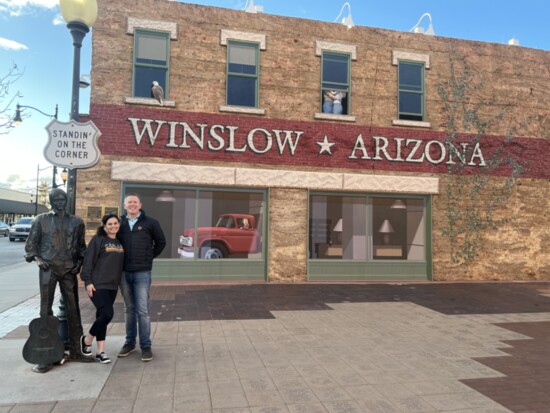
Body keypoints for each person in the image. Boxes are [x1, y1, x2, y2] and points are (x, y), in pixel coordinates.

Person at [24, 188, 91, 363]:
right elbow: (31, 245)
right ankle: (45, 355)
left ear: (66, 201)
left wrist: (79, 263)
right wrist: (38, 259)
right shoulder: (41, 220)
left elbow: (81, 247)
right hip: (48, 268)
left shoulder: (77, 222)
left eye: (63, 199)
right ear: (51, 201)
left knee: (73, 309)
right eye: (56, 200)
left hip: (69, 269)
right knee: (45, 309)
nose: (60, 202)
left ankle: (77, 351)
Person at [117, 194, 166, 362]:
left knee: (143, 310)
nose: (132, 205)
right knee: (129, 309)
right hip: (123, 273)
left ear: (140, 205)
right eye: (129, 202)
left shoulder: (150, 222)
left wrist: (148, 257)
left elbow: (161, 242)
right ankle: (129, 343)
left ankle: (145, 346)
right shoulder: (119, 224)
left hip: (142, 272)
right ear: (124, 206)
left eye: (135, 202)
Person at [80, 214, 125, 364]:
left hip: (112, 285)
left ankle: (101, 352)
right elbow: (88, 260)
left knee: (102, 316)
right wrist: (88, 281)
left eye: (115, 223)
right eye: (110, 224)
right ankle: (87, 340)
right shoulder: (98, 240)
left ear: (119, 225)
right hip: (98, 284)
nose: (113, 226)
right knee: (107, 314)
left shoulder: (119, 242)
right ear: (105, 227)